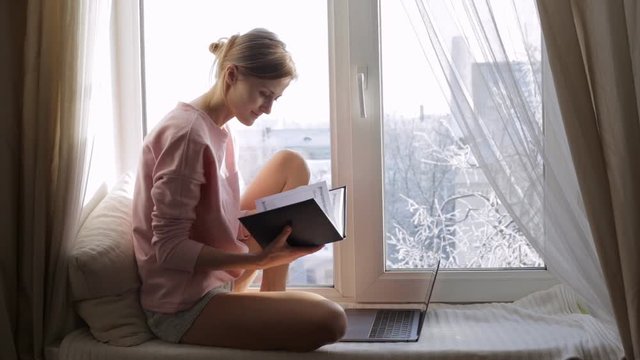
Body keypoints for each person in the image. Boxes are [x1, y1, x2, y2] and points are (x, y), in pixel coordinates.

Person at [131, 28, 346, 352]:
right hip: (184, 304)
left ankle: (272, 301)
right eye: (264, 94)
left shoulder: (218, 128)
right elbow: (169, 249)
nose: (268, 108)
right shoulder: (187, 136)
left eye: (275, 98)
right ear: (232, 75)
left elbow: (212, 214)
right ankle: (270, 312)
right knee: (332, 319)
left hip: (220, 275)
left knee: (290, 163)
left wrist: (261, 228)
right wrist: (259, 259)